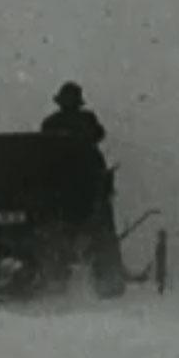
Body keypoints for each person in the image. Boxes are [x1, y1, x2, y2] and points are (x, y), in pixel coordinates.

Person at [40, 82, 126, 298]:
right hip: (89, 188)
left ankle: (55, 278)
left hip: (58, 190)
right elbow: (99, 135)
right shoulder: (87, 119)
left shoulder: (50, 123)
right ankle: (108, 283)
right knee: (103, 232)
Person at [41, 81, 107, 146]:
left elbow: (98, 134)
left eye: (70, 100)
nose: (68, 104)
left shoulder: (87, 118)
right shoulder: (51, 121)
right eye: (67, 100)